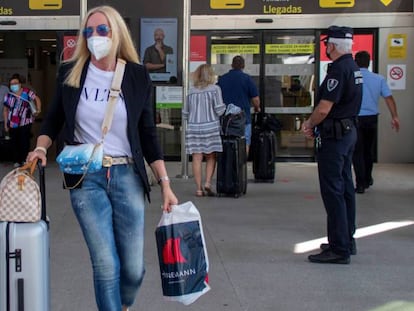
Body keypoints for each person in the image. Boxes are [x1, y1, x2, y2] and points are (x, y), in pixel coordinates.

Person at [26, 5, 178, 311]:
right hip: (85, 177)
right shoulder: (71, 72)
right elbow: (54, 119)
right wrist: (41, 147)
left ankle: (121, 305)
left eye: (102, 30)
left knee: (134, 270)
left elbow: (147, 133)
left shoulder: (136, 76)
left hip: (127, 176)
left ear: (116, 33)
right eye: (89, 31)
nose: (95, 36)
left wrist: (165, 183)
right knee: (106, 264)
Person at [302, 26, 362, 264]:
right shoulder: (354, 67)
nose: (326, 48)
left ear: (333, 46)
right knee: (346, 186)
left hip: (335, 137)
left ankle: (339, 248)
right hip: (348, 133)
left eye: (328, 44)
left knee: (333, 190)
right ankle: (346, 238)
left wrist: (309, 123)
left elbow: (325, 107)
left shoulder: (338, 69)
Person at [352, 51, 400, 194]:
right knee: (368, 150)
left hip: (355, 119)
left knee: (357, 151)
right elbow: (389, 98)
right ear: (369, 63)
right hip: (372, 119)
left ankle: (360, 184)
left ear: (355, 62)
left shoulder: (352, 78)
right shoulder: (378, 79)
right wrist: (395, 116)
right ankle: (367, 178)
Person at [183, 64, 226, 197]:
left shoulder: (190, 91)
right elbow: (219, 110)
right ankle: (207, 182)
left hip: (194, 127)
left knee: (196, 157)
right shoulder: (215, 89)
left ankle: (198, 189)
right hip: (211, 127)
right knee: (211, 156)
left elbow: (185, 113)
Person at [217, 55, 261, 154]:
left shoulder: (222, 79)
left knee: (225, 142)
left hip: (225, 119)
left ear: (232, 65)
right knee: (245, 142)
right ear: (243, 66)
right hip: (243, 118)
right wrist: (257, 108)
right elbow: (256, 99)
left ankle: (227, 164)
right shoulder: (247, 79)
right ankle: (241, 166)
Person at [3, 73, 41, 167]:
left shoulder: (27, 92)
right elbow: (5, 110)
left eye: (15, 83)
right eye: (12, 84)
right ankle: (16, 161)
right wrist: (5, 124)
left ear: (20, 84)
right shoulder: (8, 95)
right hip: (12, 123)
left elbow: (37, 99)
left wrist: (39, 109)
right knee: (14, 142)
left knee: (24, 141)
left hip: (25, 121)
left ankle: (25, 160)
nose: (13, 85)